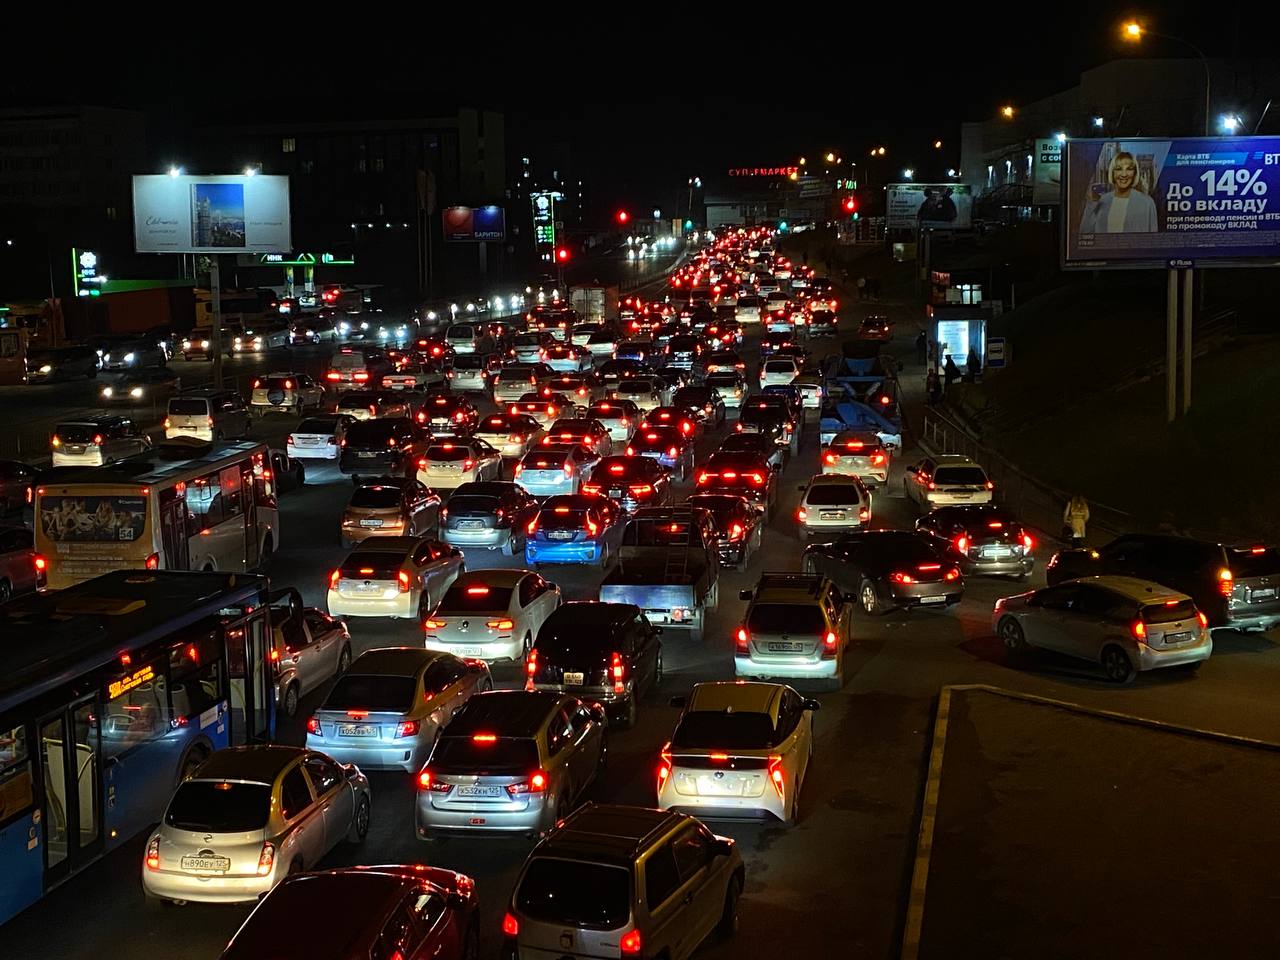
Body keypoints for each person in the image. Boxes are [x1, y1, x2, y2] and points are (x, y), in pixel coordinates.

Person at [1079, 150, 1158, 234]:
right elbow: (1085, 234)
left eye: (1129, 169)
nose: (1124, 174)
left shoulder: (1147, 203)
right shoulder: (1101, 200)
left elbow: (1153, 240)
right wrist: (1092, 203)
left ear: (1135, 173)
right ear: (1112, 173)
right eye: (1118, 169)